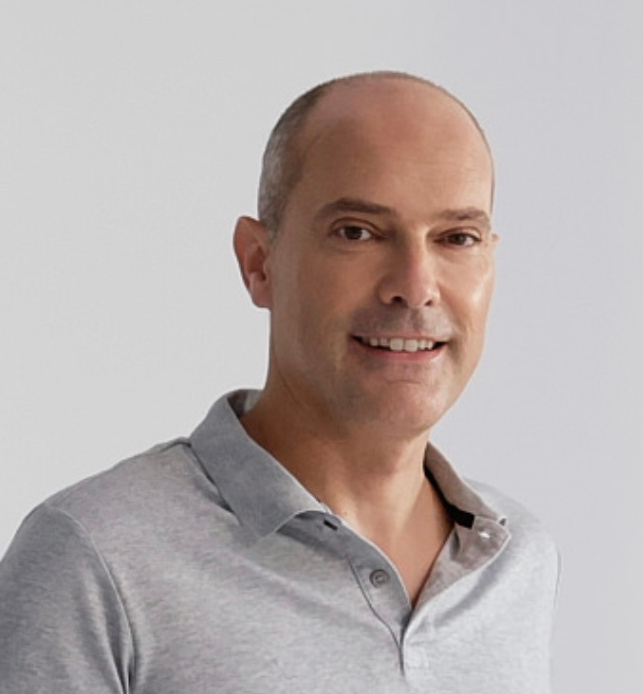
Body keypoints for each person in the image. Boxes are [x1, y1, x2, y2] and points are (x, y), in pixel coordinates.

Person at [0, 71, 559, 693]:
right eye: (357, 232)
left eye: (457, 238)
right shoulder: (96, 559)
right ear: (258, 262)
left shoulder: (515, 560)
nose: (415, 286)